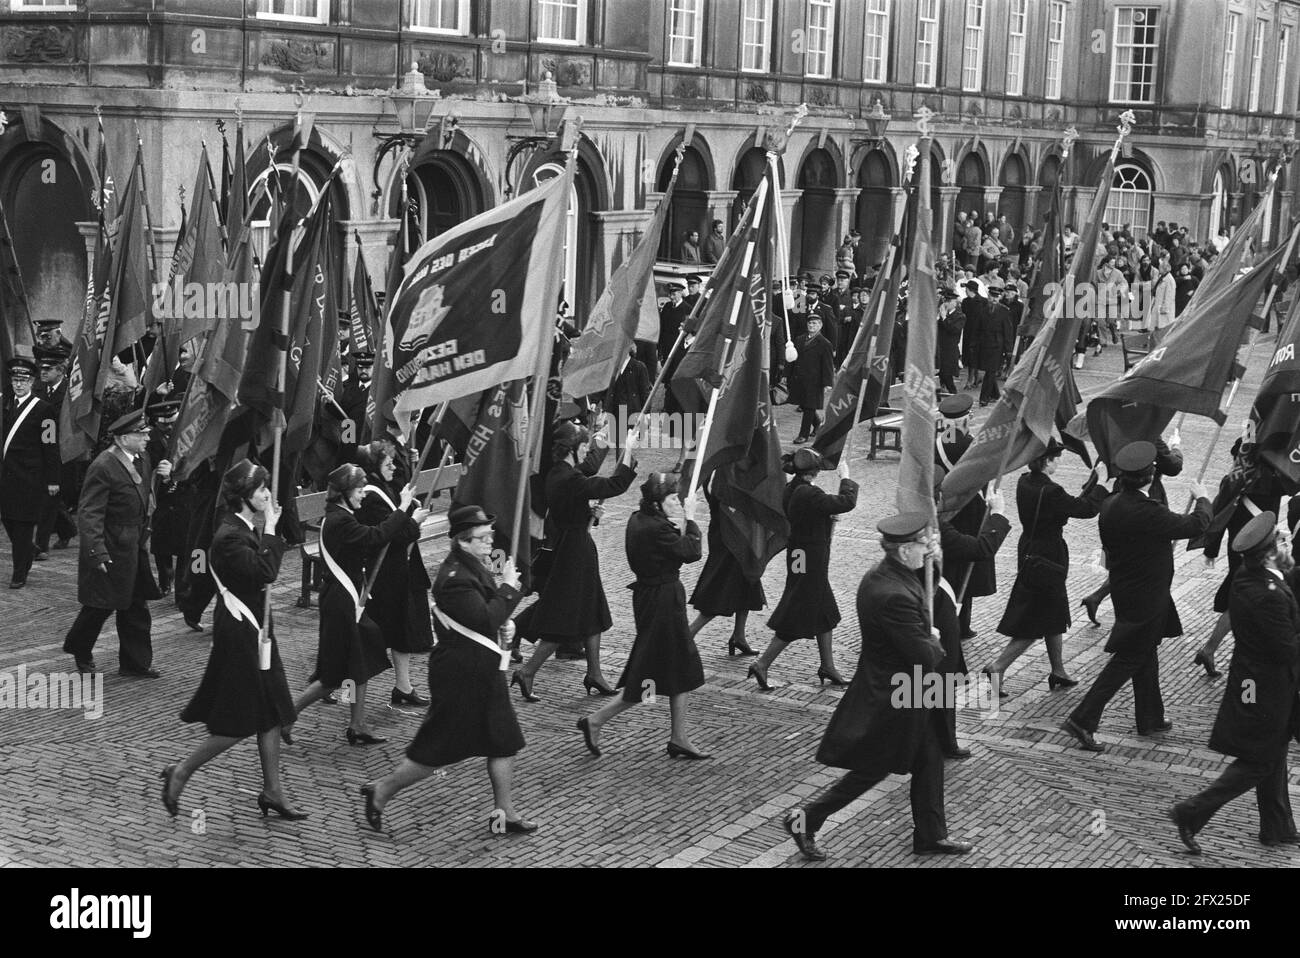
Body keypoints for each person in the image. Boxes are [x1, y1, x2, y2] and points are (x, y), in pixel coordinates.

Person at [783, 512, 972, 861]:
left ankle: (930, 835)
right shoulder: (893, 595)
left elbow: (924, 585)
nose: (924, 549)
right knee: (875, 768)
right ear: (902, 551)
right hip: (896, 697)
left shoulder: (886, 575)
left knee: (929, 758)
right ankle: (805, 819)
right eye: (920, 544)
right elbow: (925, 656)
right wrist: (933, 637)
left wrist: (933, 557)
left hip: (906, 691)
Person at [362, 505, 537, 836]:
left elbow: (488, 618)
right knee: (437, 750)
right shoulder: (455, 578)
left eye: (490, 535)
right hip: (461, 673)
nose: (490, 542)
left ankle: (504, 812)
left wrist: (508, 623)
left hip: (480, 668)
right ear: (462, 541)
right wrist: (509, 588)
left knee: (504, 739)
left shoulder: (473, 566)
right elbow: (485, 618)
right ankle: (381, 790)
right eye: (483, 537)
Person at [161, 459, 306, 822]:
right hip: (241, 632)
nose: (268, 494)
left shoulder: (242, 527)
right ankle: (180, 771)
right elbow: (265, 572)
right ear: (243, 496)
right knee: (238, 722)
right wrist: (272, 529)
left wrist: (269, 530)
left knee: (270, 712)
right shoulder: (228, 535)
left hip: (257, 628)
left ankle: (273, 791)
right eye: (261, 489)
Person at [1062, 441, 1212, 752]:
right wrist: (1203, 499)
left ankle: (1150, 716)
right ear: (1150, 475)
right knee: (1129, 657)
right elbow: (1195, 524)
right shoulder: (1148, 511)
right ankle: (1083, 718)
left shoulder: (1112, 503)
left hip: (1128, 589)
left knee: (1145, 653)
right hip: (1147, 594)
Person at [1169, 512, 1300, 854]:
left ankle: (1277, 826)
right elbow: (1287, 649)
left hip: (1256, 681)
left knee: (1273, 753)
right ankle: (1191, 811)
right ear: (1271, 552)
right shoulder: (1269, 593)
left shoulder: (1249, 575)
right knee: (1259, 760)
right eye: (1283, 541)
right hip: (1268, 687)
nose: (1288, 544)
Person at [289, 463, 429, 745]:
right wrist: (403, 510)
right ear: (343, 492)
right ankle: (287, 715)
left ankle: (358, 724)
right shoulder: (342, 521)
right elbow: (375, 537)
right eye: (358, 490)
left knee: (359, 665)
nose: (362, 495)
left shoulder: (341, 516)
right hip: (341, 601)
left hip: (345, 597)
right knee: (332, 676)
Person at [577, 475, 708, 759]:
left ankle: (679, 736)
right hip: (663, 599)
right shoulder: (657, 528)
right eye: (672, 498)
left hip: (654, 596)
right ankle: (597, 720)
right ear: (657, 504)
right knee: (651, 671)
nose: (676, 501)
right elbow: (692, 552)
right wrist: (691, 519)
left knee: (678, 667)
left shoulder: (640, 518)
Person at [511, 422, 638, 701]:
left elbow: (568, 507)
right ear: (571, 449)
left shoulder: (561, 474)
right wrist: (627, 452)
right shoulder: (568, 478)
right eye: (583, 447)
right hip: (575, 553)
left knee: (593, 613)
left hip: (576, 546)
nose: (585, 451)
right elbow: (614, 484)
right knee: (566, 620)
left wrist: (587, 511)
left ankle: (594, 673)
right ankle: (528, 671)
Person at [985, 442, 1107, 697]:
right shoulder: (1051, 490)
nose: (1059, 462)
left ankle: (1058, 670)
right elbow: (1084, 510)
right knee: (1037, 621)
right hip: (1048, 555)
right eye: (1057, 458)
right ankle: (998, 666)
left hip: (1030, 548)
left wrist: (1093, 482)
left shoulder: (1025, 481)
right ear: (1047, 461)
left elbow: (1071, 502)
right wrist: (1103, 485)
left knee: (1054, 612)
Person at [61, 409, 170, 676]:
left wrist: (166, 475)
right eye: (140, 434)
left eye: (145, 433)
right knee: (100, 607)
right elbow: (90, 513)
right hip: (111, 548)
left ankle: (135, 663)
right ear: (122, 439)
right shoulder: (103, 466)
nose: (146, 438)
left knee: (136, 607)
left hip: (134, 548)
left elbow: (143, 495)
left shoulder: (141, 458)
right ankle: (79, 647)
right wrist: (96, 552)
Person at [749, 448, 858, 690]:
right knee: (797, 613)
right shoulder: (810, 493)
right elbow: (846, 502)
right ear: (814, 471)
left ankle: (828, 666)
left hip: (799, 556)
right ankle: (763, 663)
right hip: (811, 560)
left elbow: (811, 514)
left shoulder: (792, 489)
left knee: (825, 613)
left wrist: (825, 519)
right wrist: (845, 478)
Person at [354, 443, 434, 708]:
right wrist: (416, 522)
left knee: (402, 631)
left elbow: (398, 513)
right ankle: (341, 693)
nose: (393, 467)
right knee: (359, 646)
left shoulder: (384, 488)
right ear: (373, 466)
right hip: (379, 578)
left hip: (397, 572)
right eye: (387, 463)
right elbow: (391, 533)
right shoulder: (370, 497)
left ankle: (403, 687)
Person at [1078, 435, 1183, 626]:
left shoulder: (1112, 429)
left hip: (1118, 498)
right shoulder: (1149, 433)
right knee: (1147, 562)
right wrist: (1175, 446)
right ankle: (1145, 616)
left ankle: (1097, 597)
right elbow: (1172, 466)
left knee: (1124, 558)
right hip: (1144, 499)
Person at [937, 489, 1011, 758]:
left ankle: (936, 738)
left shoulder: (912, 523)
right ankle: (938, 741)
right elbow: (982, 548)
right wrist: (998, 513)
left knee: (929, 682)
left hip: (932, 606)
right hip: (934, 616)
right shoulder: (937, 528)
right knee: (939, 681)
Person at [688, 474, 766, 657]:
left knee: (747, 585)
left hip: (730, 536)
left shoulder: (716, 472)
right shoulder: (727, 477)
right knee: (719, 592)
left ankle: (739, 636)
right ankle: (686, 636)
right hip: (730, 540)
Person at [2, 357, 59, 589]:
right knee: (8, 521)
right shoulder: (4, 404)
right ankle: (29, 549)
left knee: (23, 525)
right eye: (15, 380)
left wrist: (53, 479)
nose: (19, 385)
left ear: (32, 382)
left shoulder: (44, 409)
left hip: (29, 478)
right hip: (6, 478)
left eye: (23, 381)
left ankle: (19, 573)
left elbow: (51, 446)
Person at [792, 314, 834, 444]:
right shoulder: (799, 339)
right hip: (800, 378)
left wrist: (827, 383)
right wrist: (786, 375)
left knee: (809, 406)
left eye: (815, 323)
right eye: (810, 323)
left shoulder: (825, 343)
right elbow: (793, 360)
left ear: (820, 326)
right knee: (804, 405)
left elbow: (828, 365)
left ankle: (803, 434)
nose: (811, 326)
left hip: (815, 380)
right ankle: (817, 423)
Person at [978, 280, 1013, 406]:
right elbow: (978, 328)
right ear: (988, 296)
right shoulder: (983, 310)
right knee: (989, 370)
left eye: (996, 296)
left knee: (990, 371)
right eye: (992, 296)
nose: (994, 299)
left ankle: (984, 398)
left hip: (998, 345)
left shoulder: (1004, 311)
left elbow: (1008, 331)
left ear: (1000, 297)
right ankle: (995, 394)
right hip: (985, 344)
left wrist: (1009, 350)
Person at [936, 288, 964, 395]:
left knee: (947, 374)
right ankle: (941, 393)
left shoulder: (960, 316)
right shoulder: (943, 314)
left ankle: (954, 393)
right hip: (940, 347)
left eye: (948, 301)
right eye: (945, 301)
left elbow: (953, 329)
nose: (946, 304)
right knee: (941, 374)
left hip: (950, 348)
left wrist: (943, 317)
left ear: (954, 302)